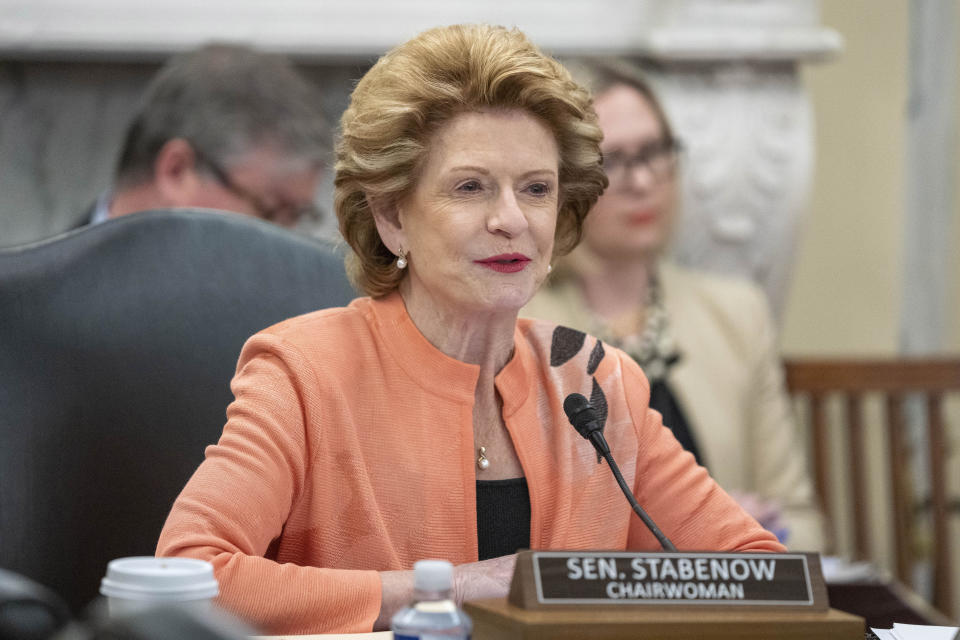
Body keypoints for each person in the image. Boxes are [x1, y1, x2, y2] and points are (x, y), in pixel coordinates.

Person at [156, 25, 784, 635]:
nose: (511, 219)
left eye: (536, 189)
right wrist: (446, 589)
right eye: (470, 187)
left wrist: (603, 592)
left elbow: (761, 576)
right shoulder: (302, 374)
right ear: (391, 217)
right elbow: (187, 578)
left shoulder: (597, 383)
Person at [523, 59, 826, 551]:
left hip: (733, 599)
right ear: (566, 183)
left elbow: (802, 519)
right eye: (613, 161)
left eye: (654, 152)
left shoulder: (737, 313)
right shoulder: (523, 324)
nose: (642, 181)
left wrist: (759, 530)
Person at [78, 43, 328, 229]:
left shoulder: (296, 293)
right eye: (271, 211)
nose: (287, 238)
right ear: (176, 171)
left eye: (297, 216)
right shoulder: (43, 290)